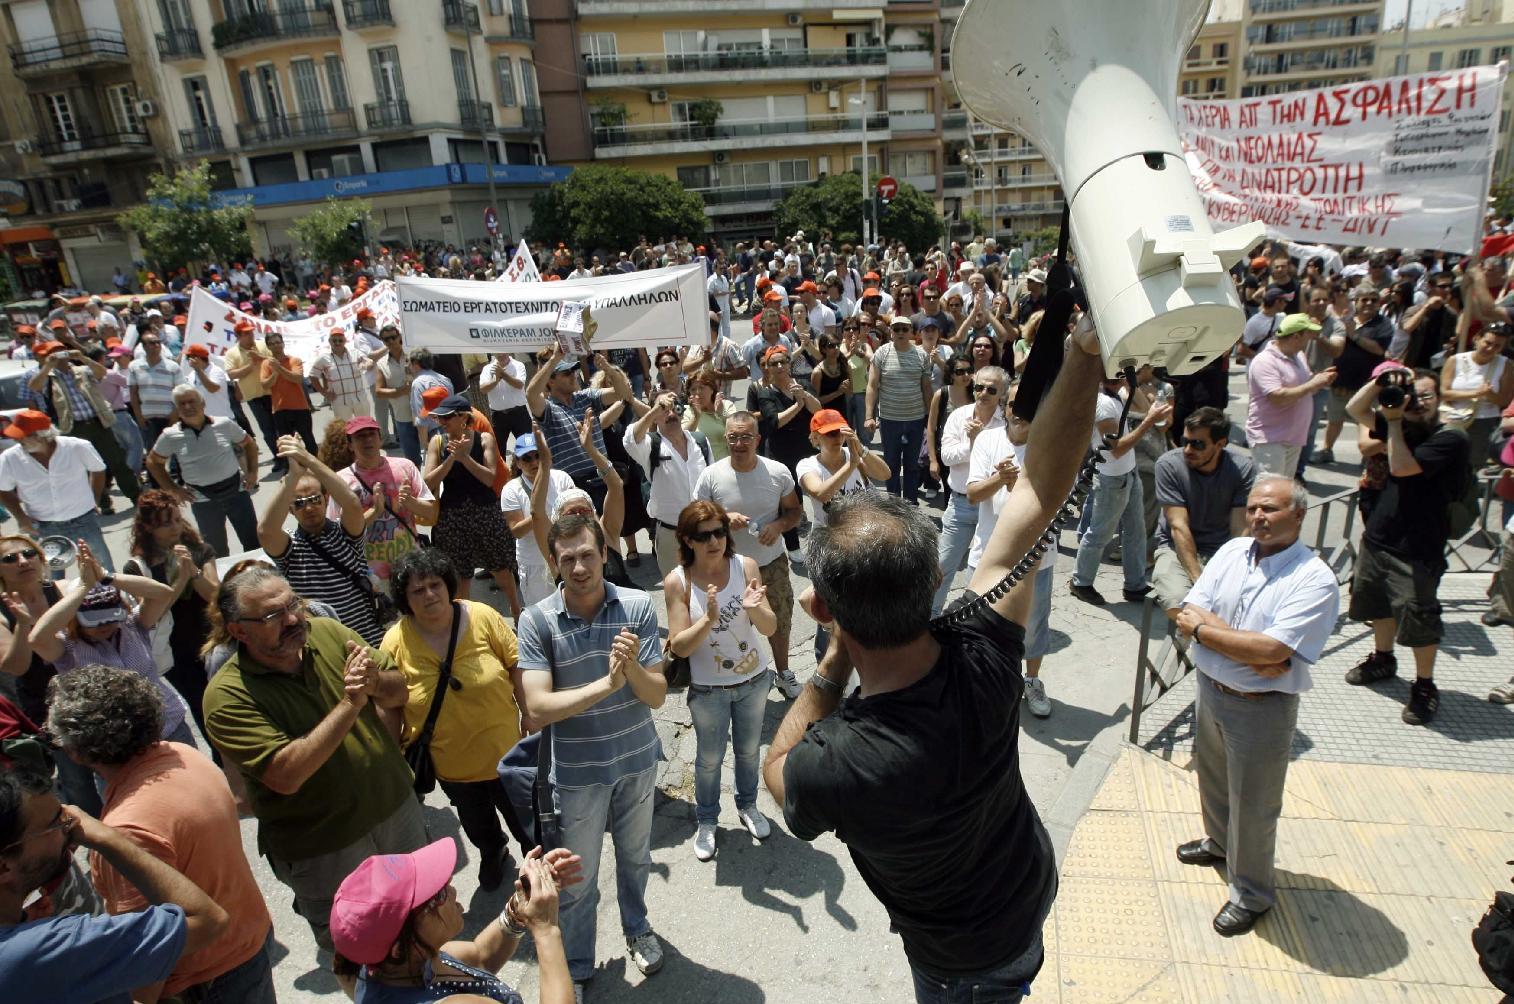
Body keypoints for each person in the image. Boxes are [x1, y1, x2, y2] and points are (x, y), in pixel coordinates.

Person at [765, 315, 1107, 1002]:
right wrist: (1084, 351)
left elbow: (776, 771)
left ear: (826, 609)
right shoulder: (983, 649)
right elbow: (1039, 489)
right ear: (931, 581)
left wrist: (832, 666)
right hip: (1024, 900)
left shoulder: (836, 761)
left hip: (963, 966)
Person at [202, 565, 425, 950]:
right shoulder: (226, 697)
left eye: (293, 604)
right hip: (327, 850)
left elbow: (399, 691)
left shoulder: (328, 633)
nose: (292, 619)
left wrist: (374, 683)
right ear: (239, 630)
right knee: (364, 949)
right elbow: (286, 774)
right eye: (274, 615)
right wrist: (350, 703)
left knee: (425, 915)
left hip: (395, 810)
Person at [1172, 476, 1340, 937]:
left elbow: (1269, 651)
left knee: (1255, 804)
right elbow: (1189, 609)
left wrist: (1212, 635)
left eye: (1271, 509)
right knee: (1213, 780)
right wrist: (1245, 647)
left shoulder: (1314, 578)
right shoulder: (1231, 552)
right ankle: (1220, 844)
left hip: (1260, 706)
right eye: (1253, 509)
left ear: (1299, 516)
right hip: (1211, 690)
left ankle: (1251, 893)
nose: (1259, 517)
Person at [46, 666, 276, 1001]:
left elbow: (147, 952)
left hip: (206, 982)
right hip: (250, 939)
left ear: (75, 751)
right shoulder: (182, 755)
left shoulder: (125, 832)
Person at [517, 513, 669, 994]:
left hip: (637, 761)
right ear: (554, 564)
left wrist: (630, 669)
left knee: (636, 858)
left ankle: (637, 928)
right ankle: (578, 964)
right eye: (567, 559)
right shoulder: (536, 619)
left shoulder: (638, 606)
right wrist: (607, 683)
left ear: (605, 553)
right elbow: (538, 707)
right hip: (579, 774)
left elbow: (657, 694)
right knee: (578, 881)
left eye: (587, 554)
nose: (579, 567)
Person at [0, 758, 231, 1003]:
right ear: (4, 865)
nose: (69, 826)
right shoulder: (56, 946)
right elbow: (208, 921)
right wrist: (107, 837)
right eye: (54, 825)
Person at [383, 549, 531, 891]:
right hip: (453, 768)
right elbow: (389, 703)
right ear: (405, 599)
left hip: (508, 755)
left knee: (528, 823)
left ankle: (535, 860)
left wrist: (530, 715)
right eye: (417, 591)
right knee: (478, 825)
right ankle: (494, 852)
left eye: (435, 584)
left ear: (449, 585)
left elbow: (516, 664)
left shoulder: (482, 617)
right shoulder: (394, 642)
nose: (429, 595)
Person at [1342, 368, 1470, 725]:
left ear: (1440, 401)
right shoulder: (1404, 426)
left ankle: (1425, 685)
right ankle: (1383, 657)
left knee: (1419, 619)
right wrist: (1382, 384)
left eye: (1428, 396)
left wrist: (1395, 421)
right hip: (1379, 537)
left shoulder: (1450, 439)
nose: (1419, 402)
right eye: (1415, 395)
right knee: (1377, 604)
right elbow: (1355, 408)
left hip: (1417, 547)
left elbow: (1401, 468)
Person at [330, 839, 579, 1004]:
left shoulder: (394, 966)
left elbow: (481, 956)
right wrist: (546, 930)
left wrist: (520, 905)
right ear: (398, 948)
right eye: (437, 895)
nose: (452, 891)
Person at [664, 500, 776, 862]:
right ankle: (708, 820)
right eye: (704, 535)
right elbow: (679, 646)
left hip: (753, 681)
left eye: (719, 532)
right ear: (687, 539)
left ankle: (748, 806)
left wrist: (755, 607)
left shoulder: (745, 567)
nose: (714, 540)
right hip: (708, 689)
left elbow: (771, 627)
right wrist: (708, 620)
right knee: (709, 759)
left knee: (748, 751)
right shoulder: (678, 581)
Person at [694, 411, 805, 700]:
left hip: (771, 562)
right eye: (733, 437)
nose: (739, 443)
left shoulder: (777, 471)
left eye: (745, 437)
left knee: (778, 621)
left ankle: (783, 674)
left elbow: (795, 512)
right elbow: (696, 518)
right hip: (725, 567)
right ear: (725, 438)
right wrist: (722, 517)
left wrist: (778, 525)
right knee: (728, 626)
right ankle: (737, 679)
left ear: (757, 439)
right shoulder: (711, 475)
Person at [257, 434, 386, 645]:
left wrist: (308, 459)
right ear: (290, 510)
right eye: (299, 503)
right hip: (325, 646)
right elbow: (266, 531)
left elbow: (352, 504)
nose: (308, 508)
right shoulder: (290, 548)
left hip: (369, 638)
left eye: (315, 499)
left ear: (326, 500)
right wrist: (292, 477)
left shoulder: (345, 534)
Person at [122, 490, 221, 738]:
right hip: (176, 652)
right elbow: (150, 614)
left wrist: (194, 572)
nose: (174, 528)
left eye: (177, 520)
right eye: (165, 523)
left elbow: (215, 596)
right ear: (147, 527)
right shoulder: (137, 567)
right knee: (203, 708)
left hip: (212, 640)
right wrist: (180, 580)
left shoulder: (199, 550)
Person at [796, 409, 889, 661]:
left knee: (863, 603)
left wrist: (862, 450)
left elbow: (885, 474)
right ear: (815, 439)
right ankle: (827, 663)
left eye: (840, 431)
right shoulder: (807, 465)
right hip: (830, 546)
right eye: (829, 434)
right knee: (826, 608)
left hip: (862, 542)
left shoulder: (854, 454)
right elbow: (821, 493)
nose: (836, 438)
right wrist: (851, 465)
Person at [1068, 380, 1171, 606]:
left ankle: (1135, 585)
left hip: (1128, 472)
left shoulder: (1116, 394)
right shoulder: (1103, 403)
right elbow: (1117, 449)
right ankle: (1081, 582)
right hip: (1112, 477)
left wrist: (1141, 395)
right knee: (1100, 534)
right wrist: (1149, 421)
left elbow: (1145, 411)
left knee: (1136, 531)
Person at [1151, 408, 1256, 620]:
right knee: (1178, 601)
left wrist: (1232, 570)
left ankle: (1211, 645)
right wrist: (1200, 583)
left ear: (1220, 444)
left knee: (1243, 603)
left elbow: (1239, 529)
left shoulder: (1242, 469)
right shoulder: (1168, 465)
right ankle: (1200, 646)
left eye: (1197, 444)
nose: (1188, 449)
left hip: (1222, 549)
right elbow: (1178, 526)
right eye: (1185, 441)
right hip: (1175, 547)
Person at [422, 394, 522, 614]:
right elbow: (428, 482)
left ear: (462, 417)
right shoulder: (436, 442)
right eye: (440, 418)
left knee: (501, 567)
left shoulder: (484, 439)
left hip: (485, 512)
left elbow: (489, 478)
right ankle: (465, 623)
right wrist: (451, 458)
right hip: (453, 517)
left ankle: (516, 610)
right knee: (460, 575)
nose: (442, 422)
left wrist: (465, 458)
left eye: (447, 417)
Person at [144, 385, 260, 558]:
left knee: (253, 542)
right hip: (202, 498)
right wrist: (173, 489)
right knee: (216, 551)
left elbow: (249, 444)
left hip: (236, 491)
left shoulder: (224, 424)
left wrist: (252, 473)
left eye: (192, 401)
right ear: (177, 408)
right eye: (182, 404)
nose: (187, 407)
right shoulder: (170, 435)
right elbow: (153, 462)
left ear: (203, 403)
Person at [22, 340, 139, 511]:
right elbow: (33, 387)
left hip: (98, 423)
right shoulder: (47, 377)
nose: (60, 355)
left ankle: (137, 497)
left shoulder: (82, 370)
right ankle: (103, 504)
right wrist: (48, 366)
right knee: (86, 468)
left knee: (117, 461)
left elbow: (102, 372)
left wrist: (82, 358)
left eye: (62, 351)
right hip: (72, 428)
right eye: (54, 352)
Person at [931, 365, 1007, 615]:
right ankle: (929, 620)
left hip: (995, 505)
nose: (983, 393)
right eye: (979, 387)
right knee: (942, 566)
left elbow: (1007, 462)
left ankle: (975, 621)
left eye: (991, 389)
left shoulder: (1007, 422)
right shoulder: (958, 416)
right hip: (962, 504)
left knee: (986, 568)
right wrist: (975, 443)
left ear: (1002, 394)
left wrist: (980, 440)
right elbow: (947, 457)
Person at [0, 411, 115, 571]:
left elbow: (98, 469)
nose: (16, 440)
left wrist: (93, 499)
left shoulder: (77, 446)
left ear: (42, 435)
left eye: (22, 436)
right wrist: (21, 518)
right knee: (48, 576)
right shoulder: (9, 458)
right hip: (41, 525)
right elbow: (3, 490)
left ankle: (114, 595)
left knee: (101, 567)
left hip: (83, 519)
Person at [335, 415, 438, 589]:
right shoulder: (342, 481)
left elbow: (431, 513)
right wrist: (375, 511)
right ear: (350, 444)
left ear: (380, 438)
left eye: (371, 434)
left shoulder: (405, 467)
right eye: (360, 436)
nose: (367, 440)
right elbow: (340, 533)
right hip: (372, 575)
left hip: (411, 567)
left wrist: (410, 502)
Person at [624, 391, 710, 574]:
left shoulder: (700, 441)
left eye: (673, 408)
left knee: (708, 584)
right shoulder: (650, 445)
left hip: (704, 529)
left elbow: (713, 482)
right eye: (664, 410)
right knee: (677, 590)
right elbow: (630, 441)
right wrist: (655, 410)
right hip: (671, 534)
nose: (670, 414)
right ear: (655, 417)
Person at [1245, 313, 1337, 476]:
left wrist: (1320, 380)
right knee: (1270, 492)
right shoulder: (1265, 361)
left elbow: (1305, 388)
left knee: (1284, 491)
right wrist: (1313, 383)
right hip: (1270, 438)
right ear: (1296, 336)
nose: (1310, 338)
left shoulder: (1299, 356)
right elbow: (1277, 397)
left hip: (1293, 437)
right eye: (1308, 334)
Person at [1317, 283, 1392, 463]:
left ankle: (1367, 458)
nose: (1368, 303)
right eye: (1364, 299)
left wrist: (1354, 335)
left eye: (1373, 300)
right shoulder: (1345, 321)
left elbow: (1379, 349)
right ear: (1355, 302)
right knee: (1334, 420)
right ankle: (1327, 450)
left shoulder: (1383, 324)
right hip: (1340, 382)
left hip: (1367, 386)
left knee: (1366, 423)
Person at [866, 314, 933, 503]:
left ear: (911, 332)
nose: (901, 332)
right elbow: (872, 386)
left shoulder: (922, 355)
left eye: (905, 329)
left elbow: (927, 388)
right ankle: (894, 504)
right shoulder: (881, 353)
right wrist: (869, 416)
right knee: (891, 465)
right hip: (889, 419)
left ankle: (911, 504)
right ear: (891, 332)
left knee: (913, 465)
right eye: (897, 329)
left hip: (916, 418)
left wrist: (931, 418)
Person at [1439, 323, 1513, 471]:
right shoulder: (1455, 360)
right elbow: (1444, 392)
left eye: (1497, 346)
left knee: (1472, 465)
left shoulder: (1506, 365)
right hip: (1453, 418)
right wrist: (1475, 394)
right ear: (1477, 339)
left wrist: (1489, 394)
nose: (1491, 349)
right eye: (1488, 343)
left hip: (1484, 421)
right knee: (1446, 463)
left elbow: (1504, 400)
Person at [222, 320, 281, 471]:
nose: (251, 335)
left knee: (281, 426)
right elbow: (231, 373)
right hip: (254, 397)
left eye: (251, 332)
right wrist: (251, 365)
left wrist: (259, 358)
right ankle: (278, 458)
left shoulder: (262, 345)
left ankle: (290, 456)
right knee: (267, 430)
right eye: (246, 333)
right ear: (238, 336)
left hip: (272, 391)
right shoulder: (232, 353)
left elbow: (274, 359)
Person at [128, 329, 183, 450]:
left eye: (158, 342)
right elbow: (133, 393)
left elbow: (181, 393)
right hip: (148, 419)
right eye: (152, 343)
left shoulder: (173, 366)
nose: (157, 345)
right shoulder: (134, 366)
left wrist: (175, 415)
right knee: (154, 453)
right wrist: (139, 416)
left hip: (169, 417)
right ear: (144, 346)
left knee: (175, 453)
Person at [374, 327, 422, 465]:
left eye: (393, 337)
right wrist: (400, 391)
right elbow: (379, 391)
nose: (390, 341)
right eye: (386, 339)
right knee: (412, 460)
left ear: (399, 336)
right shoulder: (382, 364)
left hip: (424, 412)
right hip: (403, 417)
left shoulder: (414, 354)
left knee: (436, 452)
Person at [310, 329, 373, 421]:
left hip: (360, 398)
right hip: (339, 401)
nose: (337, 343)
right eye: (334, 340)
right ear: (329, 341)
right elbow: (312, 376)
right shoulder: (323, 358)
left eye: (340, 340)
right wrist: (324, 393)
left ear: (345, 340)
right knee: (344, 430)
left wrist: (367, 364)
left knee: (365, 425)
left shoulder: (355, 353)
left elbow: (367, 361)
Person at [482, 350, 530, 451]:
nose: (500, 354)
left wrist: (503, 374)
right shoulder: (487, 368)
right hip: (498, 416)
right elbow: (483, 389)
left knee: (527, 447)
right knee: (498, 451)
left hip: (519, 414)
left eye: (503, 351)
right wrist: (495, 380)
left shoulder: (518, 365)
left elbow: (519, 384)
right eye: (497, 352)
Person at [180, 343, 233, 419]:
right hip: (204, 421)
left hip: (222, 418)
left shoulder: (216, 371)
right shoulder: (192, 375)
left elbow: (212, 388)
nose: (188, 360)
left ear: (198, 358)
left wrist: (198, 369)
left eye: (189, 357)